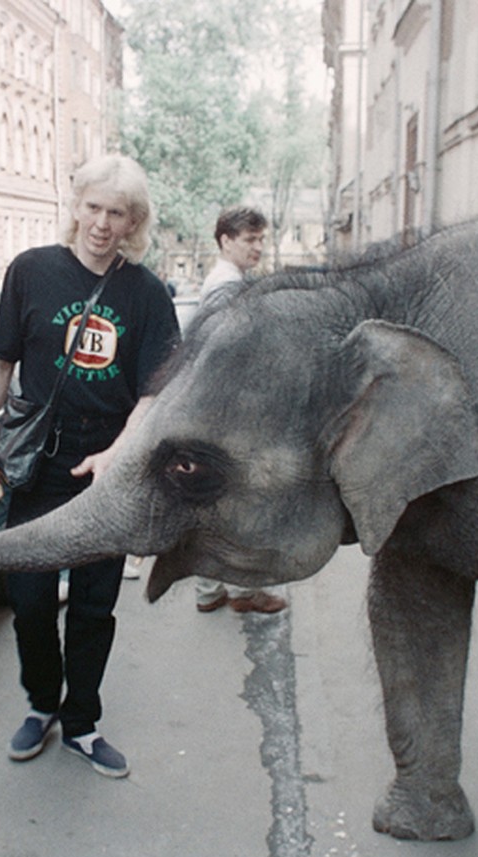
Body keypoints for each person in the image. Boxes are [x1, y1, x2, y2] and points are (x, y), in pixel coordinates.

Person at [0, 154, 179, 778]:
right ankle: (42, 704)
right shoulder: (31, 272)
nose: (101, 223)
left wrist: (117, 452)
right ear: (75, 205)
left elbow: (153, 391)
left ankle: (82, 721)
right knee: (29, 599)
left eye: (117, 213)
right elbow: (0, 363)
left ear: (133, 221)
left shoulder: (145, 293)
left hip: (106, 471)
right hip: (38, 462)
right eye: (92, 207)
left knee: (93, 604)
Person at [193, 206, 287, 615]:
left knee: (221, 503)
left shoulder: (227, 282)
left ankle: (211, 589)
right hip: (233, 413)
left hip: (218, 409)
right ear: (225, 241)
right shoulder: (226, 287)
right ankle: (244, 591)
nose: (258, 247)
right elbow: (230, 352)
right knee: (245, 504)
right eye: (249, 239)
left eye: (261, 239)